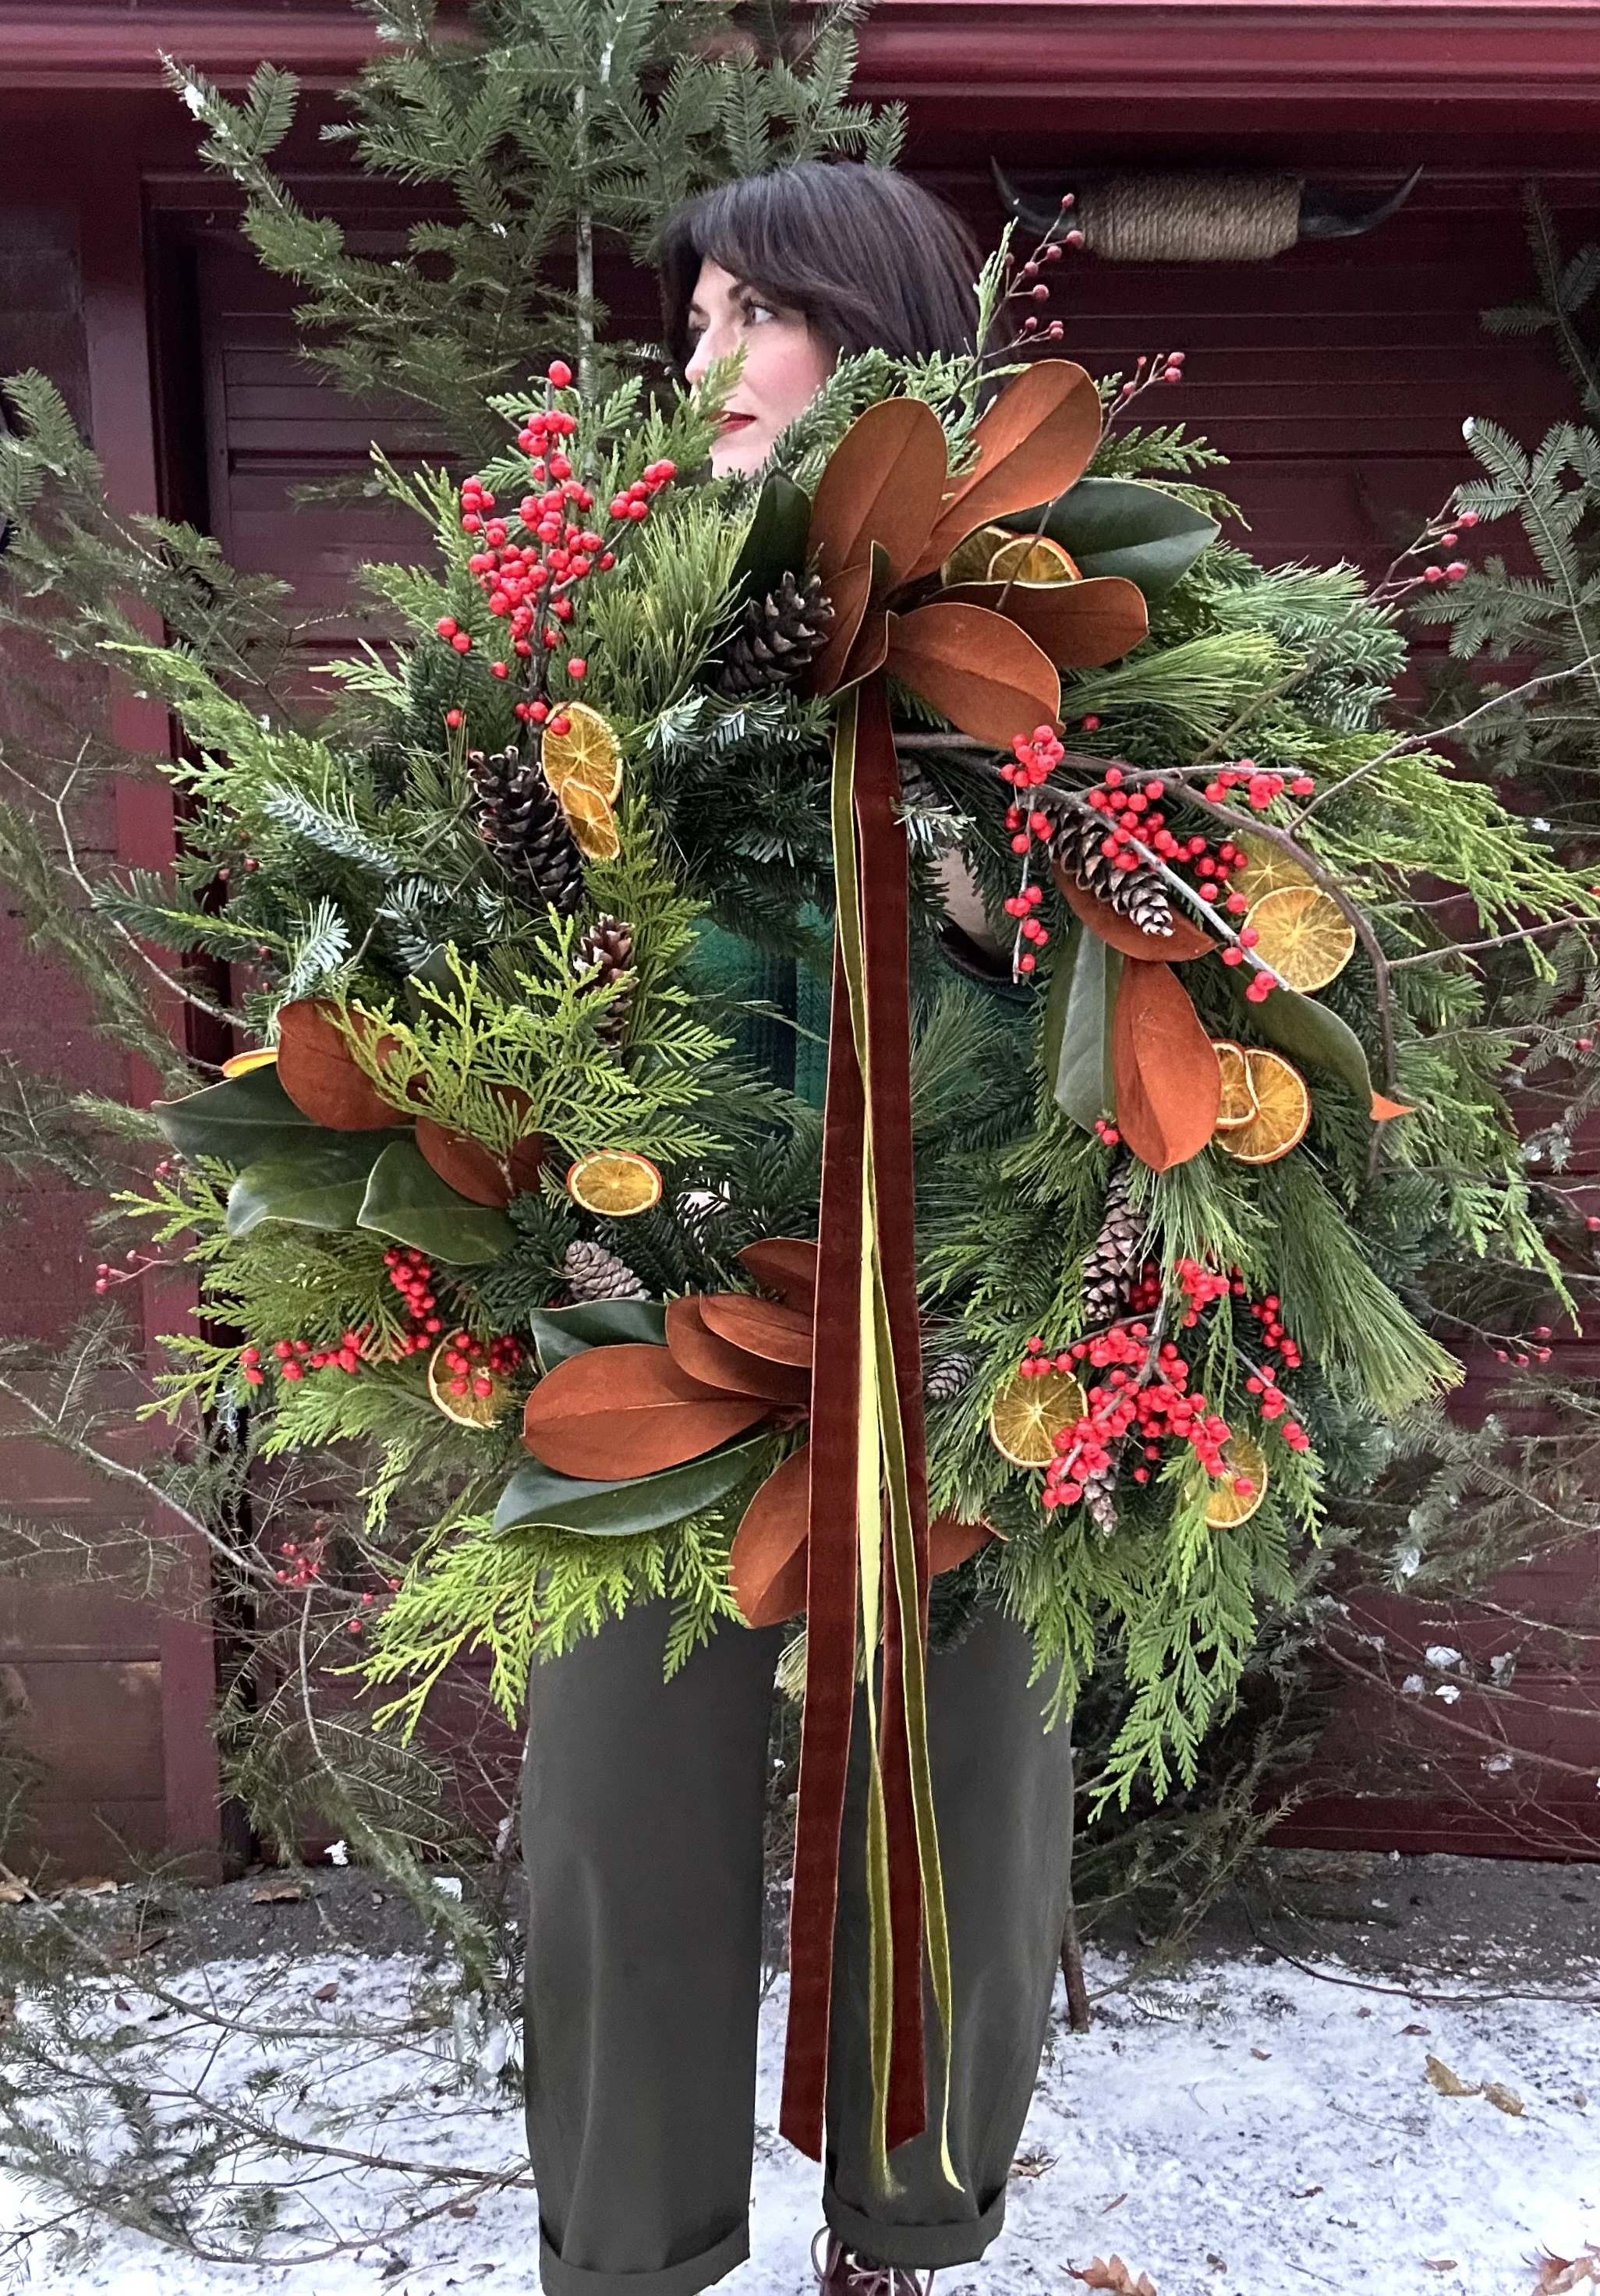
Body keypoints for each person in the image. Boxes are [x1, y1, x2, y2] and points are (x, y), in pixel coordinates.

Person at [521, 161, 1074, 2296]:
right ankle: (631, 2253)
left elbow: (1165, 990)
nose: (701, 355)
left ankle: (904, 2233)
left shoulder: (1039, 633)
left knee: (965, 1812)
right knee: (609, 1822)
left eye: (751, 308)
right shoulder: (621, 624)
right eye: (694, 320)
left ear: (876, 331)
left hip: (953, 1333)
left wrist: (990, 894)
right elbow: (503, 968)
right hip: (643, 1322)